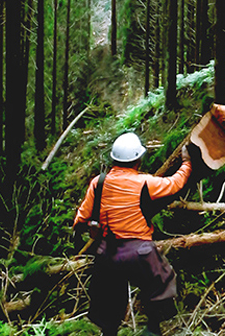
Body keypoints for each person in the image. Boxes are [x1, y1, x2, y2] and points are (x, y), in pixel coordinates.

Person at [73, 132, 192, 336]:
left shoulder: (98, 183)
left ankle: (109, 331)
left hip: (107, 254)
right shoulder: (146, 182)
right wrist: (187, 163)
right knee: (162, 281)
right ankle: (152, 328)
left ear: (114, 159)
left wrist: (85, 229)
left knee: (109, 302)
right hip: (140, 252)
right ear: (138, 160)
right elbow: (175, 183)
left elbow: (81, 218)